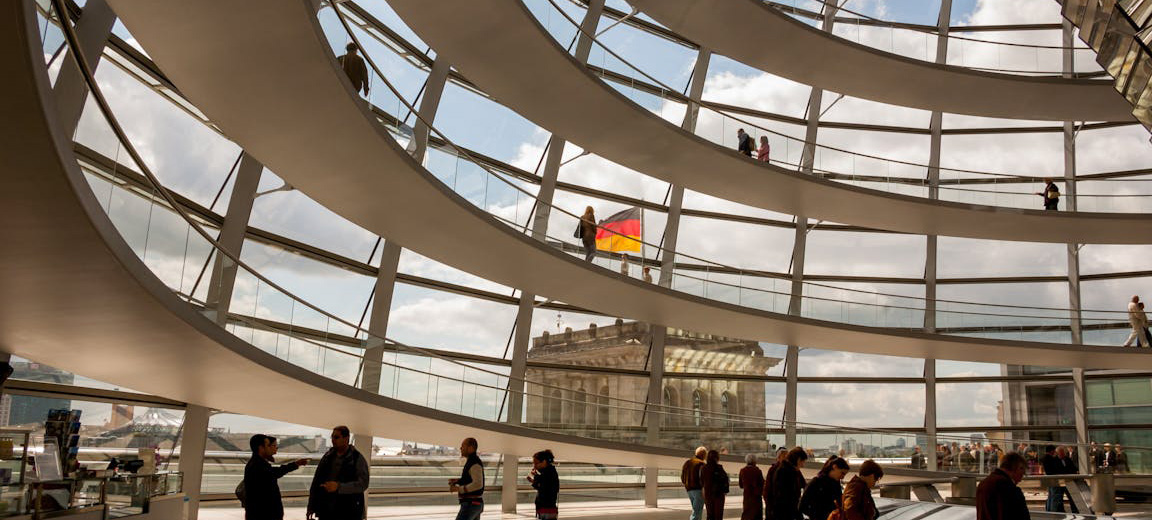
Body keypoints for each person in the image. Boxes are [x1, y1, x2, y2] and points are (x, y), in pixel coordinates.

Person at [307, 426, 370, 520]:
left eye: (336, 437)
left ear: (346, 438)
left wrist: (339, 487)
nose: (333, 440)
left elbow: (363, 484)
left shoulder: (357, 458)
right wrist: (311, 506)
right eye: (332, 437)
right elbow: (316, 481)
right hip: (326, 510)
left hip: (348, 512)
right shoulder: (327, 456)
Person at [243, 434, 307, 520]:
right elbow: (275, 473)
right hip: (264, 514)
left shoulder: (256, 463)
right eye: (268, 445)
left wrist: (295, 464)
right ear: (261, 448)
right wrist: (295, 464)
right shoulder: (258, 466)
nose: (271, 448)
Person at [975, 452, 1030, 520]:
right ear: (1018, 468)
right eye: (1023, 473)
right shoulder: (1010, 489)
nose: (1021, 478)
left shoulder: (983, 484)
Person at [799, 456, 848, 520]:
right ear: (834, 467)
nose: (842, 477)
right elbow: (802, 506)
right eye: (842, 473)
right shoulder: (816, 482)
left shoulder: (835, 483)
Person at [450, 437, 485, 520]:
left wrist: (459, 489)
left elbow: (478, 484)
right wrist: (458, 481)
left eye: (463, 445)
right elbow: (472, 480)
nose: (460, 448)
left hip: (471, 505)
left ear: (470, 448)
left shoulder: (474, 463)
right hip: (474, 504)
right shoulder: (471, 461)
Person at [768, 447, 807, 520]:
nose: (803, 465)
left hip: (784, 512)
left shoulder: (787, 470)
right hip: (785, 513)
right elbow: (787, 497)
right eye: (803, 462)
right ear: (798, 460)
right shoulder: (787, 472)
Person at [527, 449, 558, 520]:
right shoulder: (548, 472)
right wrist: (534, 479)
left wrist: (535, 477)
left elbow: (543, 489)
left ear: (544, 462)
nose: (534, 466)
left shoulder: (549, 473)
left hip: (547, 508)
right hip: (545, 508)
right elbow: (543, 487)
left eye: (536, 463)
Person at [700, 450, 729, 520]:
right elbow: (725, 480)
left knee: (710, 514)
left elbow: (701, 481)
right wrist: (725, 491)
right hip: (718, 494)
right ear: (716, 458)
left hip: (708, 494)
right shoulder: (719, 468)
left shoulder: (703, 468)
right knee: (718, 515)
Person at [681, 447, 707, 520]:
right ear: (704, 455)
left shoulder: (687, 462)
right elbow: (702, 478)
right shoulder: (701, 464)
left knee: (695, 510)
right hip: (698, 489)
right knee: (697, 512)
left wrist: (686, 484)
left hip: (689, 489)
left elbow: (682, 477)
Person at [737, 454, 763, 520]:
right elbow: (762, 484)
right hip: (756, 497)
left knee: (747, 514)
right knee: (757, 515)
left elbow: (741, 485)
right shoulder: (758, 471)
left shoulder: (742, 471)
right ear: (755, 461)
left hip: (747, 496)